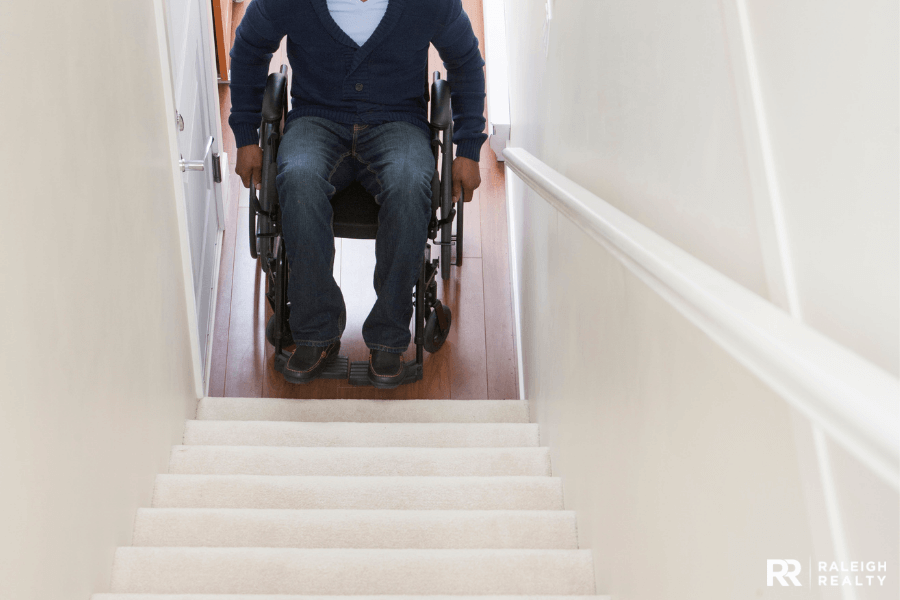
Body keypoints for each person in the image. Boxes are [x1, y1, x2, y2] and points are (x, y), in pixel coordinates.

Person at [229, 0, 486, 388]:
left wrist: (467, 147)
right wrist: (247, 134)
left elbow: (465, 61)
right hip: (317, 117)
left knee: (410, 182)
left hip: (397, 121)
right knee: (296, 177)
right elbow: (248, 48)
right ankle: (315, 331)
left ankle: (388, 337)